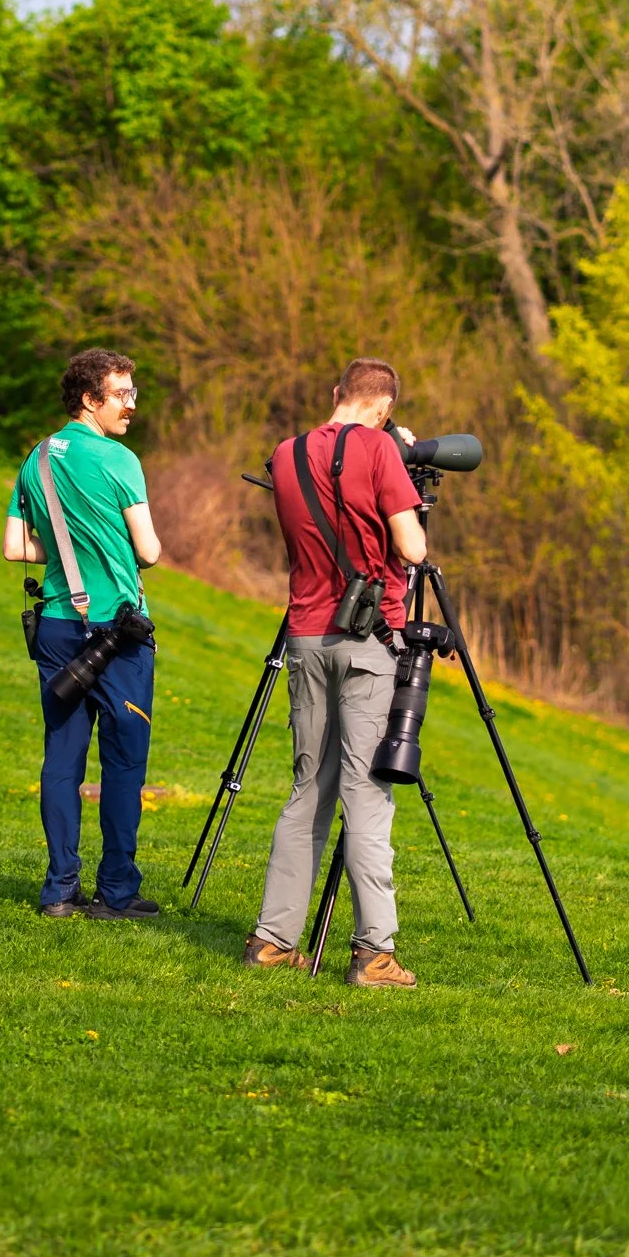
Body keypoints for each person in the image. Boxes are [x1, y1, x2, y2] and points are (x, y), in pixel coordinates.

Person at [246, 358, 428, 988]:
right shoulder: (380, 449)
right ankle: (374, 952)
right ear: (384, 408)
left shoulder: (286, 452)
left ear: (335, 395)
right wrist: (397, 470)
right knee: (365, 795)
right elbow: (412, 548)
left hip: (305, 634)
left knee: (308, 789)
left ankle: (272, 940)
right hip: (368, 640)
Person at [4, 348, 165, 921]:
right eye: (122, 394)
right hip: (116, 635)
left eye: (132, 393)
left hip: (55, 627)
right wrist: (109, 552)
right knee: (123, 762)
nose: (131, 405)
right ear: (89, 400)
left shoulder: (38, 457)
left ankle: (58, 890)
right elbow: (148, 551)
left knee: (63, 759)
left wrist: (69, 552)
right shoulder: (120, 460)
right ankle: (117, 891)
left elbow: (14, 547)